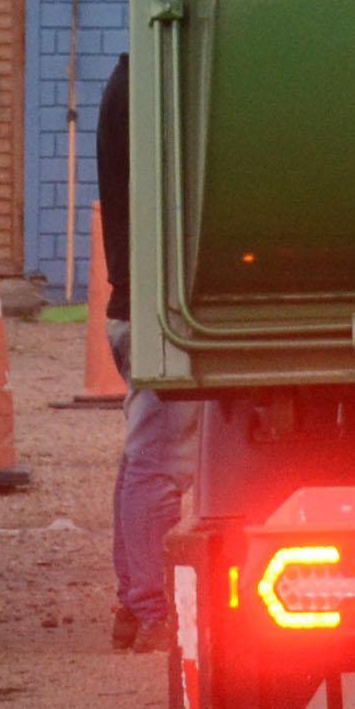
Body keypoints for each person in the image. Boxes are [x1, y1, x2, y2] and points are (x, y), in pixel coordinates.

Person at [99, 54, 205, 653]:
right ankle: (152, 609)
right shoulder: (150, 92)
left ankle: (133, 606)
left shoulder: (125, 84)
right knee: (159, 464)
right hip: (153, 312)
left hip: (132, 310)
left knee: (142, 461)